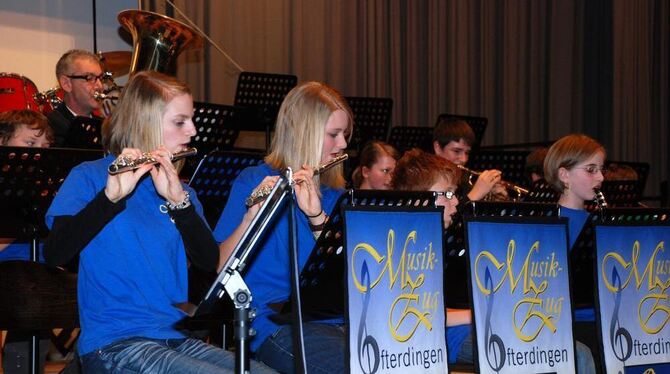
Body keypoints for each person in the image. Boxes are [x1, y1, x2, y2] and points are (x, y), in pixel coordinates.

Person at [43, 71, 274, 373]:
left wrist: (180, 204)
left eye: (191, 119)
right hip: (115, 344)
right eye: (180, 121)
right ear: (145, 122)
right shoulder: (89, 176)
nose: (192, 130)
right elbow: (56, 253)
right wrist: (109, 199)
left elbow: (208, 261)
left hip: (175, 338)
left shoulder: (182, 191)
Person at [214, 81, 353, 373]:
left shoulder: (336, 195)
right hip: (274, 323)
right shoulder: (254, 181)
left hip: (340, 320)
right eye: (333, 135)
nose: (343, 144)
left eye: (344, 134)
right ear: (305, 133)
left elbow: (352, 274)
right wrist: (252, 216)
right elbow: (218, 267)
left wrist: (317, 218)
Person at [390, 148, 472, 364]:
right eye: (446, 194)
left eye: (454, 193)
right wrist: (476, 315)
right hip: (426, 339)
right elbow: (418, 313)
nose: (454, 202)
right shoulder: (399, 244)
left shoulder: (437, 239)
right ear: (417, 198)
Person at [544, 133, 605, 373]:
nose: (601, 177)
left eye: (601, 169)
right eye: (591, 169)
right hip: (572, 322)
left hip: (606, 318)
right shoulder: (548, 224)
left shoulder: (599, 220)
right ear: (564, 175)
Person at [0, 109, 53, 373]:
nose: (40, 152)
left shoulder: (48, 182)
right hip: (16, 270)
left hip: (44, 267)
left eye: (45, 146)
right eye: (30, 144)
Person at [433, 117, 507, 201]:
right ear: (437, 148)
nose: (464, 159)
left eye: (467, 153)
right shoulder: (427, 180)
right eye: (456, 151)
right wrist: (476, 194)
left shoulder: (465, 181)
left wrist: (495, 199)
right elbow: (444, 212)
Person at [47, 49, 104, 147]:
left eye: (100, 78)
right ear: (66, 84)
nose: (99, 86)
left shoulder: (103, 125)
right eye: (89, 78)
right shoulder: (49, 127)